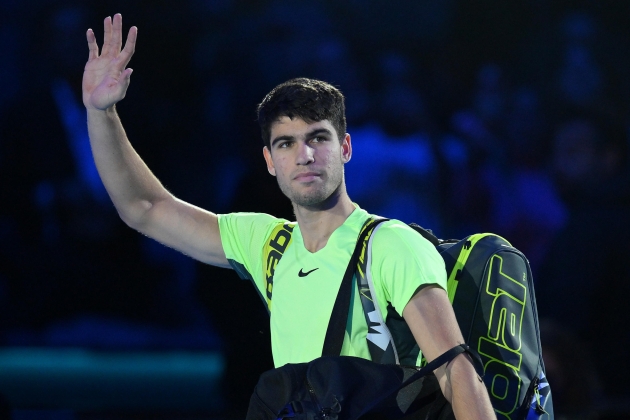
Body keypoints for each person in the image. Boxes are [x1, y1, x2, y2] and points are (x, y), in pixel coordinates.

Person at [82, 14, 495, 419]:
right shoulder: (268, 245)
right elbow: (145, 209)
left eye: (318, 137)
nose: (305, 155)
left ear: (346, 147)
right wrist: (102, 114)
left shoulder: (390, 244)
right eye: (286, 144)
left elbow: (456, 371)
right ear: (269, 160)